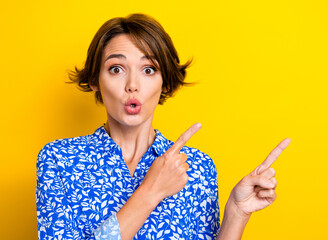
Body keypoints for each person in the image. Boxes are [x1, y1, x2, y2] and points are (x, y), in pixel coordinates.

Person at [36, 13, 290, 240]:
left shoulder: (197, 167)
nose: (132, 85)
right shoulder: (59, 159)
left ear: (165, 83)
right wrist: (150, 192)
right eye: (116, 69)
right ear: (94, 80)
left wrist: (237, 212)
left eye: (148, 69)